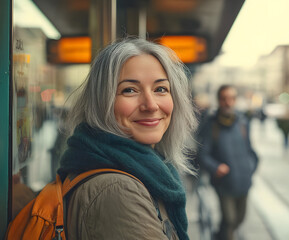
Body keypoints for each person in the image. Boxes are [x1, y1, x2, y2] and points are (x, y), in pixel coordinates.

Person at [57, 38, 198, 240]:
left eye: (160, 89)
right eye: (129, 90)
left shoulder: (144, 171)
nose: (151, 105)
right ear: (101, 101)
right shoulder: (118, 190)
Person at [197, 84, 258, 240]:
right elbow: (202, 154)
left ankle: (219, 235)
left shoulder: (243, 122)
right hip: (224, 183)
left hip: (244, 180)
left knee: (239, 219)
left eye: (231, 98)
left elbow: (250, 150)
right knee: (230, 220)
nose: (228, 102)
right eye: (224, 99)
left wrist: (251, 166)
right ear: (219, 100)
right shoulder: (211, 125)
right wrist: (216, 167)